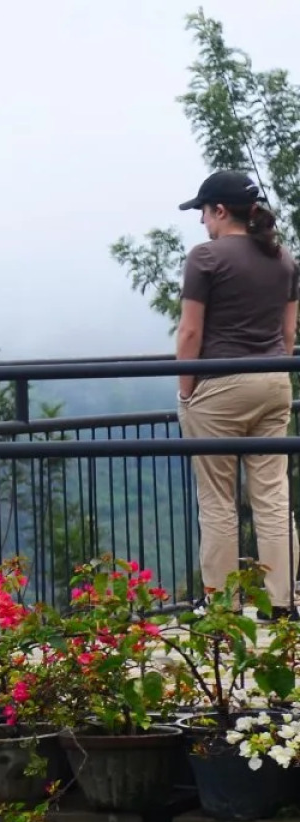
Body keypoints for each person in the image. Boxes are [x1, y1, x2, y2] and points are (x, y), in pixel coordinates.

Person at [175, 169, 300, 613]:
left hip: (220, 387)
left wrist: (186, 391)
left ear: (221, 211)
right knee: (272, 497)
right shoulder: (283, 258)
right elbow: (289, 333)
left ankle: (223, 609)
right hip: (274, 381)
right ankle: (283, 604)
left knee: (218, 502)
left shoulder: (205, 258)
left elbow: (190, 332)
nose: (202, 222)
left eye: (204, 212)